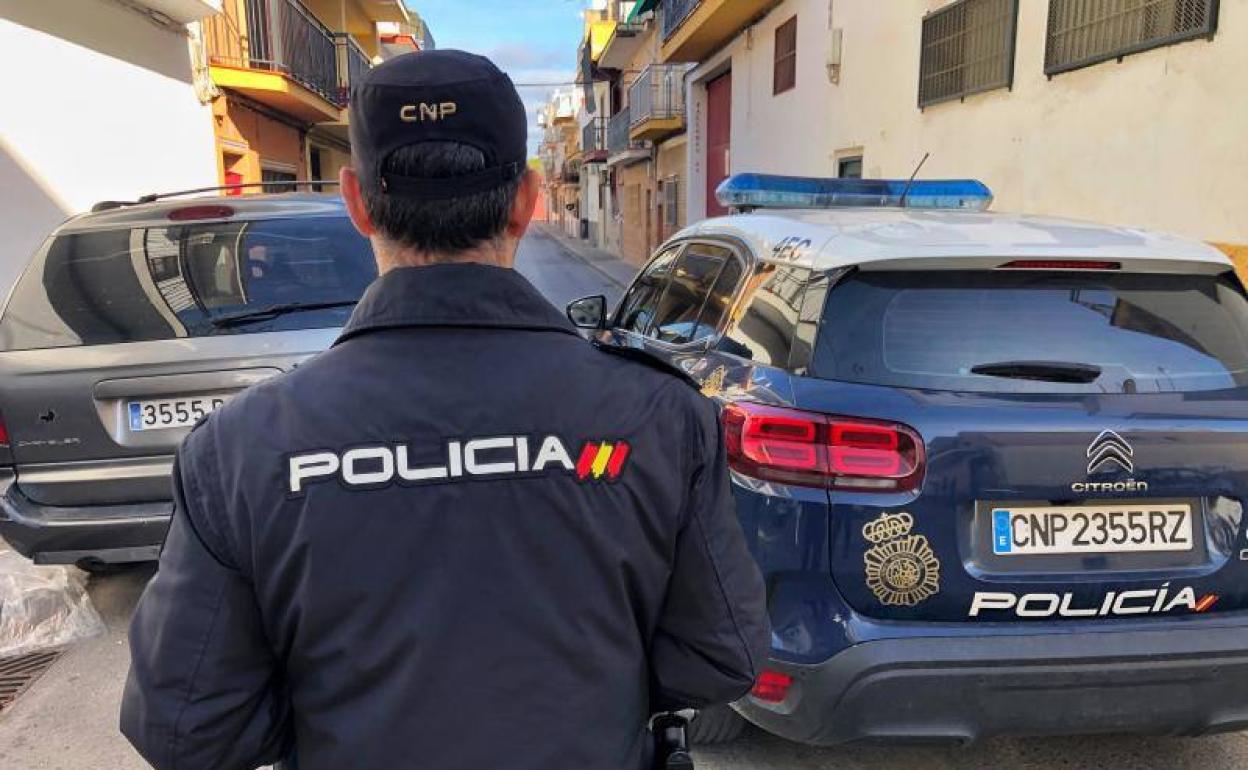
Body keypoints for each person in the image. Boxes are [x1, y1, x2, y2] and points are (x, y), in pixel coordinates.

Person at [120, 50, 769, 770]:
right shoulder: (661, 418)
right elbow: (722, 656)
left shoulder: (241, 449)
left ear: (358, 202)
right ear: (527, 200)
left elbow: (183, 725)